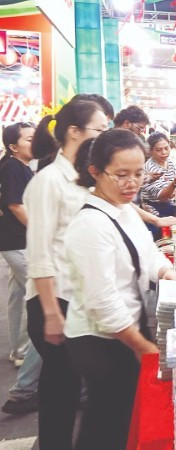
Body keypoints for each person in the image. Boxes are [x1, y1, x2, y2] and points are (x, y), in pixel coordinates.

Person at [65, 129, 176, 450]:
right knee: (107, 419)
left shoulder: (125, 210)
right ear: (95, 172)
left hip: (128, 328)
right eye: (121, 175)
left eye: (138, 173)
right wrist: (142, 346)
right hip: (102, 339)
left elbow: (149, 253)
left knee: (118, 416)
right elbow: (103, 303)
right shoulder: (90, 226)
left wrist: (167, 272)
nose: (132, 183)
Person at [25, 98, 109, 449]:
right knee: (61, 391)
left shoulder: (81, 179)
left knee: (72, 389)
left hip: (76, 300)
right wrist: (50, 313)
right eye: (101, 130)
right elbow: (40, 253)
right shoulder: (48, 181)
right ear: (75, 132)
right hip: (52, 300)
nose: (106, 136)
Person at [0, 122, 42, 415]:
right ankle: (25, 359)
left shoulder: (19, 165)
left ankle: (18, 348)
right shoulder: (14, 166)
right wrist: (43, 231)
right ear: (14, 146)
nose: (35, 142)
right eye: (29, 139)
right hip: (18, 241)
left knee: (18, 292)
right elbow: (15, 205)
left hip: (15, 240)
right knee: (40, 297)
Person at [141, 132, 176, 218]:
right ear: (151, 151)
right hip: (154, 210)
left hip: (168, 205)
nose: (164, 152)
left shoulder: (169, 162)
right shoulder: (150, 168)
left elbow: (169, 189)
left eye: (166, 148)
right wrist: (174, 184)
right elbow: (162, 196)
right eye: (159, 150)